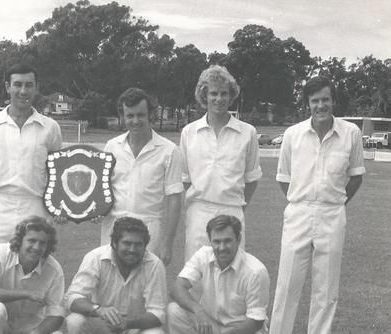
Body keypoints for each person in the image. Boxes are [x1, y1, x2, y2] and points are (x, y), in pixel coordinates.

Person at [269, 76, 365, 334]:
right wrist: (301, 202)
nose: (321, 105)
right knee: (287, 284)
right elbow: (284, 179)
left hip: (332, 214)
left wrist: (337, 200)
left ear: (333, 100)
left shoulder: (351, 133)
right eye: (315, 101)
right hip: (298, 212)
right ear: (307, 104)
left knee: (326, 289)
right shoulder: (293, 134)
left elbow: (356, 176)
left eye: (325, 99)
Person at [0, 63, 62, 256]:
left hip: (36, 206)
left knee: (35, 268)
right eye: (17, 84)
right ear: (7, 87)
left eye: (29, 85)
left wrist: (59, 208)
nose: (23, 91)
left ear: (36, 87)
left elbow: (57, 174)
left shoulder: (50, 127)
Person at [179, 65, 262, 260]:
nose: (219, 99)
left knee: (231, 276)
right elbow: (184, 179)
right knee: (196, 277)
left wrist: (237, 208)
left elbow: (251, 179)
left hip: (232, 211)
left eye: (224, 93)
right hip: (198, 213)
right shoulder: (189, 132)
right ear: (204, 96)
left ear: (231, 95)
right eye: (213, 93)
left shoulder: (247, 132)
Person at [101, 87, 184, 266]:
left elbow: (174, 199)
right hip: (113, 229)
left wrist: (167, 244)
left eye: (141, 115)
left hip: (150, 231)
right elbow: (101, 190)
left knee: (145, 288)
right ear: (123, 116)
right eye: (130, 116)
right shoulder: (111, 146)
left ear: (150, 115)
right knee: (110, 286)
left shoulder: (169, 150)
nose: (135, 121)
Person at [168, 215, 270, 334]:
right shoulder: (203, 255)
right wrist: (199, 311)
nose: (221, 247)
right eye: (216, 241)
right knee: (174, 311)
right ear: (210, 240)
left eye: (227, 241)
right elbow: (177, 288)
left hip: (242, 330)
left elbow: (256, 321)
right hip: (211, 325)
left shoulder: (256, 271)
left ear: (239, 239)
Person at [64, 217, 167, 334]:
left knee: (156, 333)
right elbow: (72, 298)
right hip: (102, 325)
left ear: (145, 245)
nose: (132, 250)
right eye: (127, 243)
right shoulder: (95, 257)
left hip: (136, 327)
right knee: (75, 321)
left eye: (138, 244)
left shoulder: (154, 265)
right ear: (114, 243)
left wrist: (128, 323)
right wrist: (98, 310)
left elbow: (158, 313)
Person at [0, 216, 65, 334]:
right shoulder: (1, 253)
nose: (36, 247)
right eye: (32, 241)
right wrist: (26, 294)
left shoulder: (54, 269)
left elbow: (56, 314)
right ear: (20, 240)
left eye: (42, 243)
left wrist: (36, 333)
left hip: (31, 327)